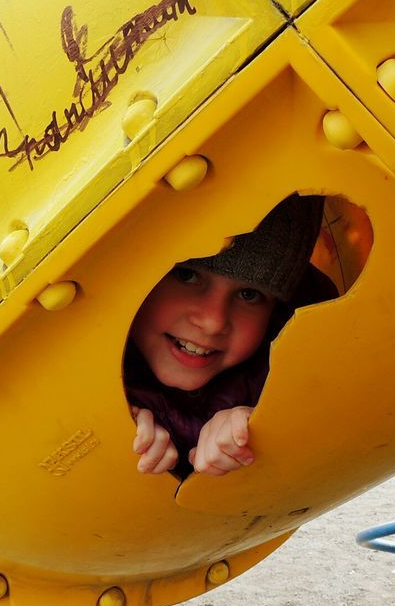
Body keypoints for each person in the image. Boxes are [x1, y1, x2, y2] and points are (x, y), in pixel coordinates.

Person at [124, 194, 335, 478]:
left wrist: (263, 427)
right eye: (187, 275)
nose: (213, 322)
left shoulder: (289, 367)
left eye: (250, 295)